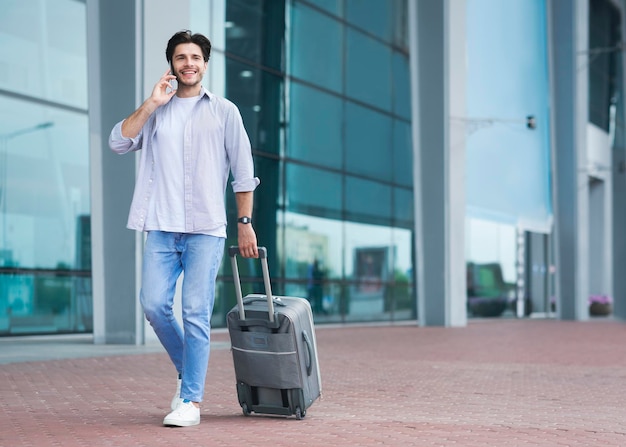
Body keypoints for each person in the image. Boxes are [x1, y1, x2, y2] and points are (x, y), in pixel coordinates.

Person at [108, 30, 260, 427]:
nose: (188, 63)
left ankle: (191, 401)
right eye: (180, 57)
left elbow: (244, 175)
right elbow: (118, 142)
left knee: (194, 311)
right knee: (154, 304)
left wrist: (245, 223)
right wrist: (151, 102)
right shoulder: (157, 111)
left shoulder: (225, 112)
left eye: (195, 57)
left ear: (205, 64)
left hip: (206, 229)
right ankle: (187, 370)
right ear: (172, 65)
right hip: (161, 226)